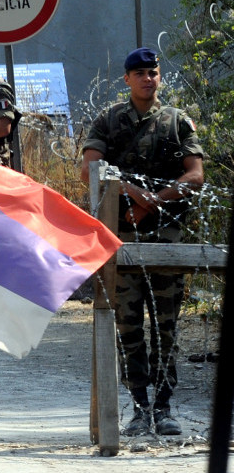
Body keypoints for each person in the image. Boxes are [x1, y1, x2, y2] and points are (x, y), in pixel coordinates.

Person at [80, 47, 204, 437]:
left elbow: (195, 175)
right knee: (128, 324)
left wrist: (156, 201)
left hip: (166, 234)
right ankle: (138, 405)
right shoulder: (109, 120)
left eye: (153, 72)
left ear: (159, 77)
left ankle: (164, 406)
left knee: (166, 324)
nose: (147, 79)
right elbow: (90, 168)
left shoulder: (176, 122)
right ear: (127, 79)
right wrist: (132, 193)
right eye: (140, 73)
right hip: (123, 235)